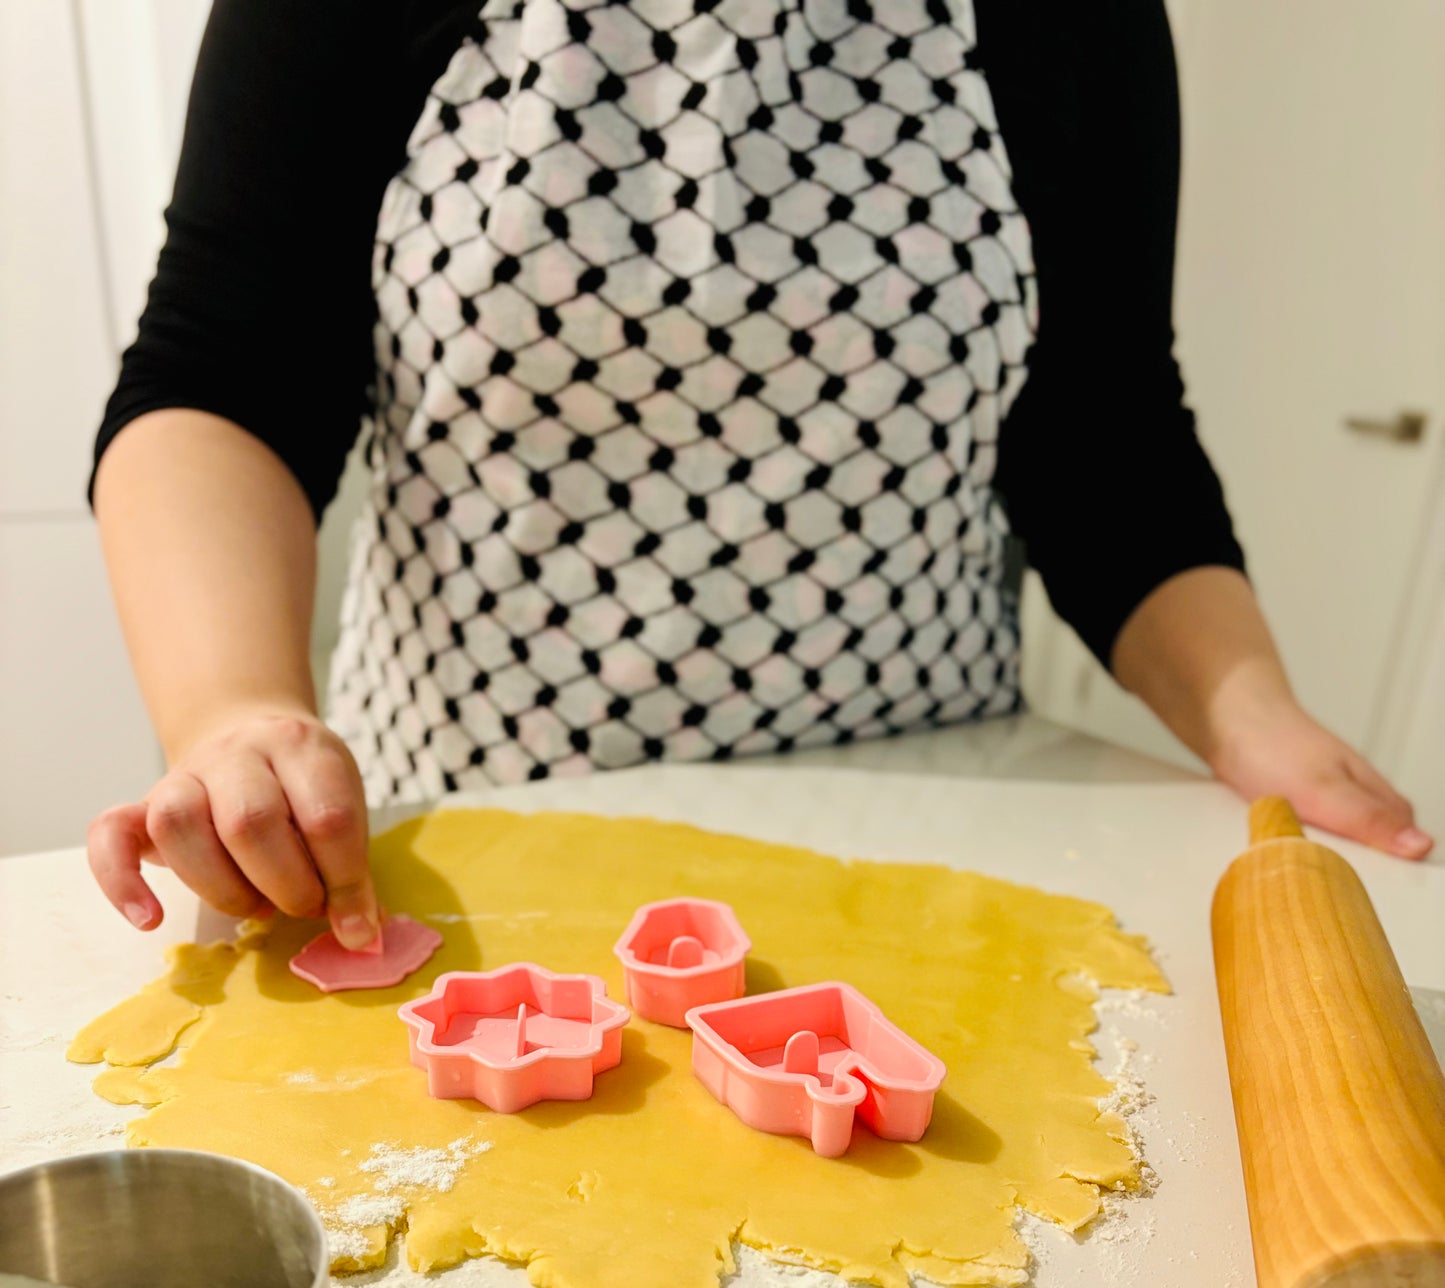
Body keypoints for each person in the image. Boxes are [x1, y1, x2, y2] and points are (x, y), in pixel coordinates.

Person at [85, 0, 1433, 953]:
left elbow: (1101, 425)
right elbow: (226, 371)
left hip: (933, 821)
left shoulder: (1065, 16)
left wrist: (1250, 711)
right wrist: (235, 710)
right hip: (469, 826)